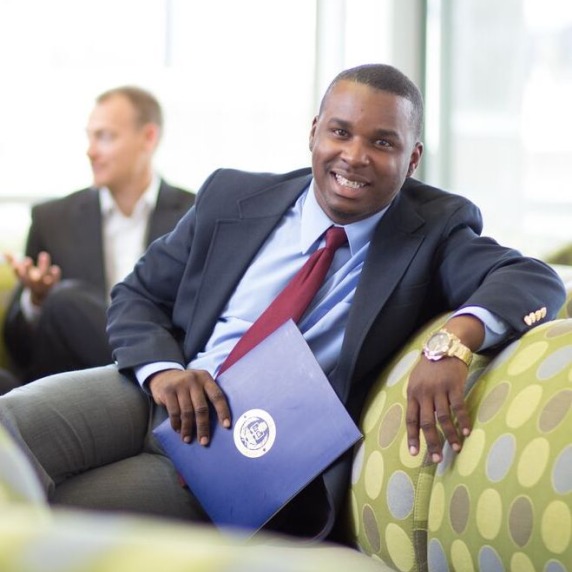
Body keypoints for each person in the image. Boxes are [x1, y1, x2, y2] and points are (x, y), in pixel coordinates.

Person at [0, 64, 565, 542]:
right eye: (340, 132)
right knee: (9, 431)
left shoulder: (434, 228)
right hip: (159, 388)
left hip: (239, 453)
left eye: (382, 142)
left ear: (412, 157)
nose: (355, 155)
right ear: (314, 132)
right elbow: (138, 293)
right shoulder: (232, 196)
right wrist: (164, 371)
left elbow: (533, 279)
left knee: (58, 510)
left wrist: (453, 342)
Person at [2, 86, 195, 382]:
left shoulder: (196, 215)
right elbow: (19, 347)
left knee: (66, 301)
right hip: (71, 380)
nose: (90, 151)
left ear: (148, 138)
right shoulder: (52, 219)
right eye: (90, 136)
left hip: (163, 372)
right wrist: (36, 301)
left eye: (105, 137)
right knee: (61, 304)